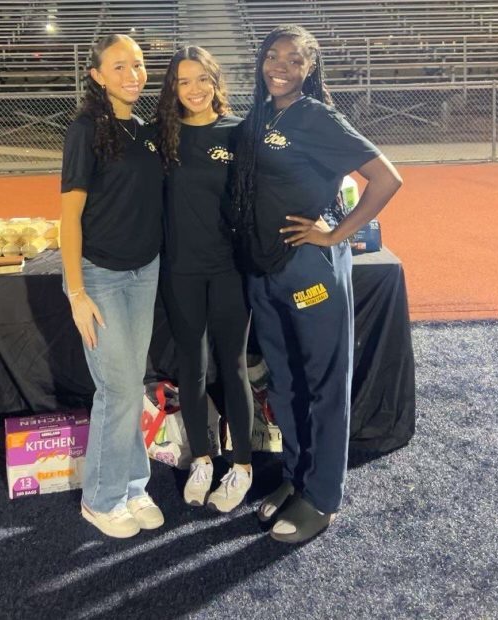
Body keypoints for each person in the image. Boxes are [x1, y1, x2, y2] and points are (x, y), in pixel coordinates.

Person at [233, 25, 402, 542]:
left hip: (309, 271)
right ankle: (295, 479)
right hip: (266, 271)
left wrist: (335, 235)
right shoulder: (262, 113)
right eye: (272, 56)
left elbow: (387, 178)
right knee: (285, 383)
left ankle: (323, 497)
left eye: (293, 60)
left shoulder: (316, 116)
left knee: (325, 383)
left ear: (309, 69)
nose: (279, 66)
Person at [60, 34, 165, 538]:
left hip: (145, 273)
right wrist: (75, 292)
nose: (132, 74)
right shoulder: (85, 130)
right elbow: (69, 217)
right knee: (117, 387)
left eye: (139, 64)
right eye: (119, 66)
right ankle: (100, 499)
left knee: (131, 385)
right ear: (97, 75)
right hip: (100, 275)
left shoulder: (145, 129)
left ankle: (133, 484)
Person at [155, 46, 254, 512]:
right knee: (190, 369)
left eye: (201, 79)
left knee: (232, 367)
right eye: (182, 81)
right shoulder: (163, 137)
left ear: (216, 81)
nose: (193, 90)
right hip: (182, 271)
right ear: (173, 88)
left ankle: (242, 467)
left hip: (230, 270)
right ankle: (203, 460)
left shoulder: (239, 132)